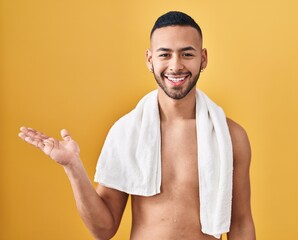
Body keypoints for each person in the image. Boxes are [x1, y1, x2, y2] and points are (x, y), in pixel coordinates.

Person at [18, 11, 255, 240]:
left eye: (187, 54)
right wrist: (73, 167)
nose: (176, 66)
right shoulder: (127, 131)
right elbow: (104, 230)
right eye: (165, 54)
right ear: (149, 60)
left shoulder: (231, 137)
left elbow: (241, 223)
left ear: (203, 58)